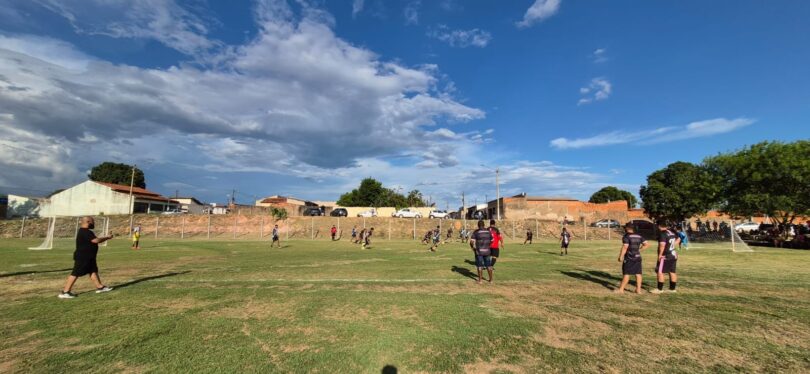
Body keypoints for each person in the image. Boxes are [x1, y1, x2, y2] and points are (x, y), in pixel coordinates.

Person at [58, 216, 114, 299]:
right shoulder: (85, 231)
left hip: (89, 257)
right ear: (88, 222)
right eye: (93, 222)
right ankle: (65, 292)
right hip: (83, 257)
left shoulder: (87, 231)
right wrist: (107, 237)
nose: (93, 224)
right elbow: (95, 240)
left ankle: (100, 287)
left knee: (93, 270)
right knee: (75, 273)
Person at [616, 223, 648, 294]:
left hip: (629, 258)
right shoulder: (639, 236)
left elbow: (625, 247)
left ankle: (621, 290)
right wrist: (639, 250)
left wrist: (621, 256)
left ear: (627, 228)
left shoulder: (626, 236)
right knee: (638, 274)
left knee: (626, 273)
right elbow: (646, 244)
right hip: (638, 257)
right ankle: (638, 290)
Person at [653, 221, 680, 294]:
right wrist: (673, 246)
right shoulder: (671, 232)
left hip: (666, 255)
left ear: (659, 226)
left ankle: (659, 289)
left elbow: (662, 245)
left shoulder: (662, 233)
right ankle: (672, 289)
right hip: (673, 254)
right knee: (672, 271)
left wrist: (660, 255)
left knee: (660, 271)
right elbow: (679, 239)